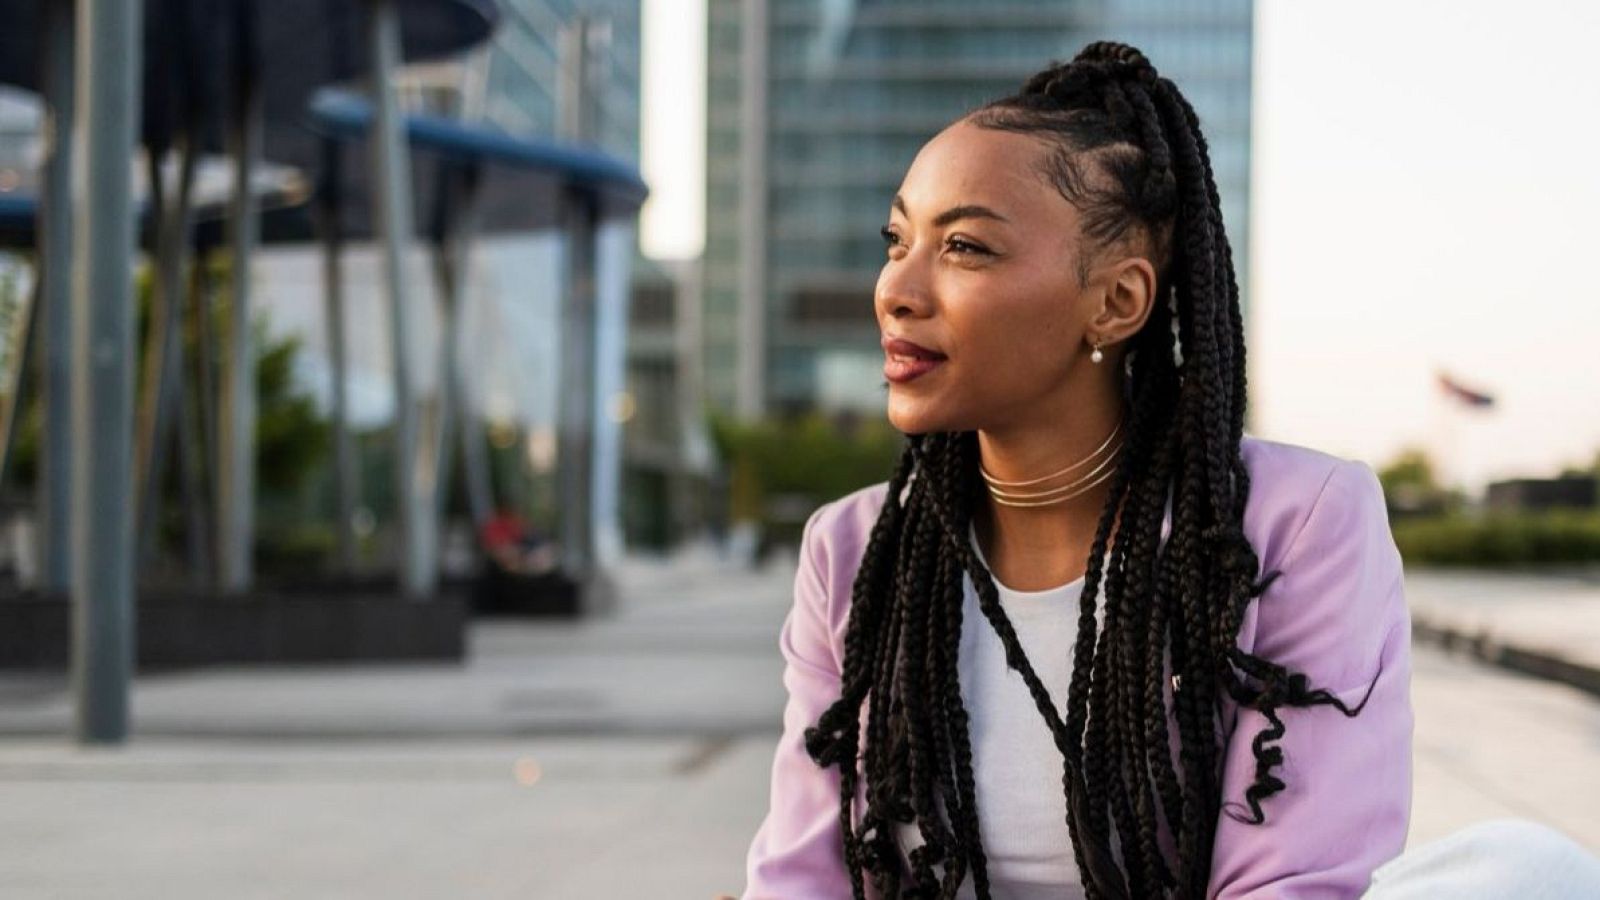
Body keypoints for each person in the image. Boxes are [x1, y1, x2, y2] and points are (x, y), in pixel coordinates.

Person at [739, 42, 1600, 900]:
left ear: (1116, 302)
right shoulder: (851, 550)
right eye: (897, 239)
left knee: (1529, 872)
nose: (897, 287)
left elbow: (1295, 880)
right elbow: (802, 876)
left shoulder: (1294, 522)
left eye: (964, 246)